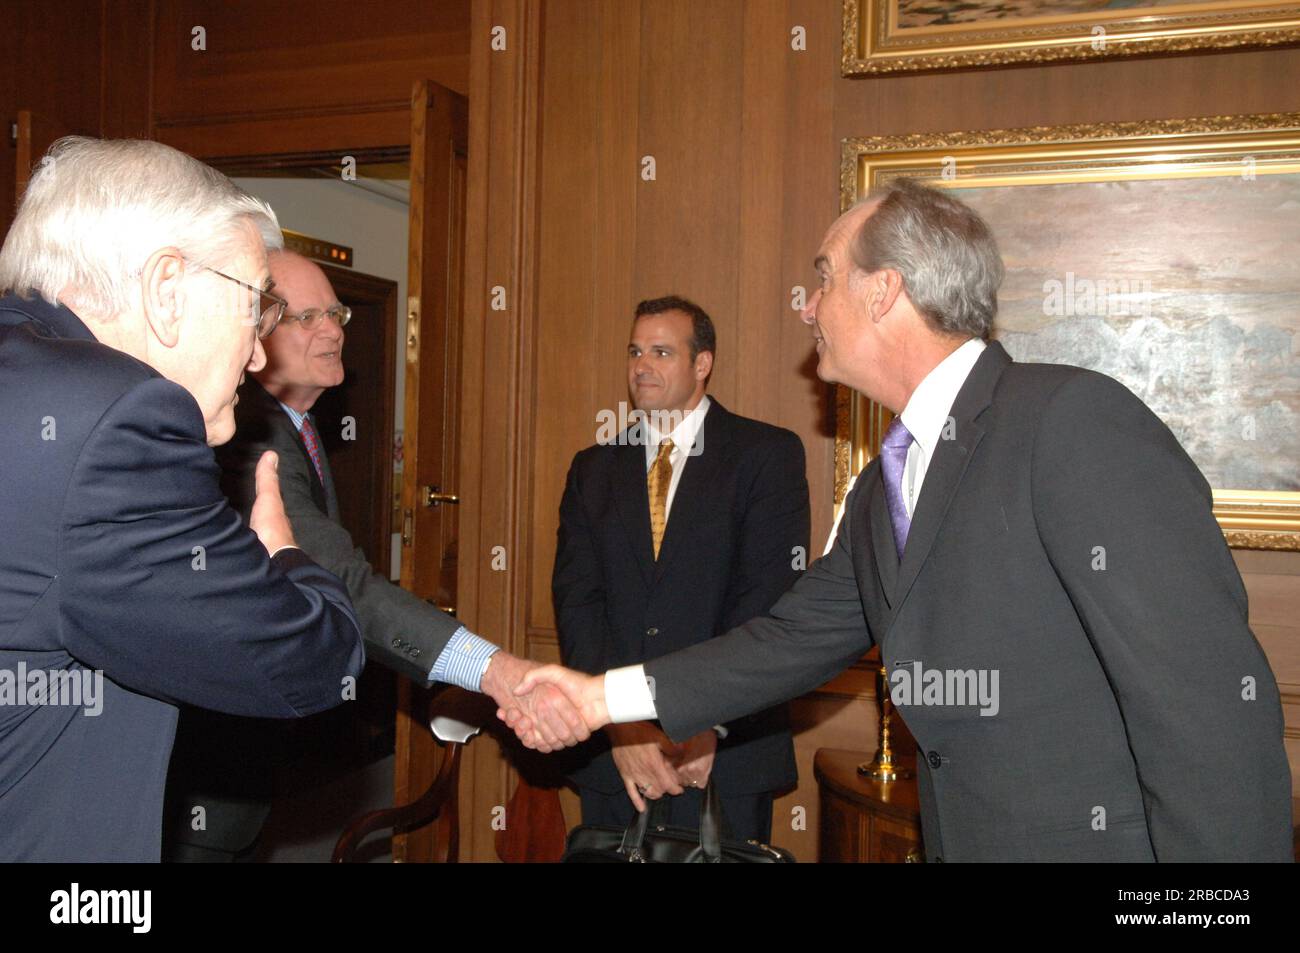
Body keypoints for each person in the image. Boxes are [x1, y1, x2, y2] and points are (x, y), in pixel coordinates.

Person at [510, 179, 1295, 862]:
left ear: (882, 291)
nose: (809, 307)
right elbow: (787, 641)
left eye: (824, 279)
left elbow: (1210, 709)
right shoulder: (889, 477)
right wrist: (595, 699)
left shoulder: (1067, 421)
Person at [0, 137, 367, 861]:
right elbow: (311, 658)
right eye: (252, 305)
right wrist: (284, 555)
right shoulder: (120, 420)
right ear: (167, 289)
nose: (259, 354)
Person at [164, 250, 584, 860]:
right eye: (306, 318)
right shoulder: (248, 432)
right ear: (255, 332)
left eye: (334, 313)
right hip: (206, 767)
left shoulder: (295, 426)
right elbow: (345, 584)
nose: (333, 330)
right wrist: (494, 671)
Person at [552, 295, 807, 842]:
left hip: (726, 754)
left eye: (662, 352)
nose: (642, 366)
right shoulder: (592, 468)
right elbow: (578, 604)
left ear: (702, 364)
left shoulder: (766, 455)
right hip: (615, 757)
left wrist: (707, 724)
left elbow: (766, 602)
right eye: (635, 351)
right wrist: (623, 728)